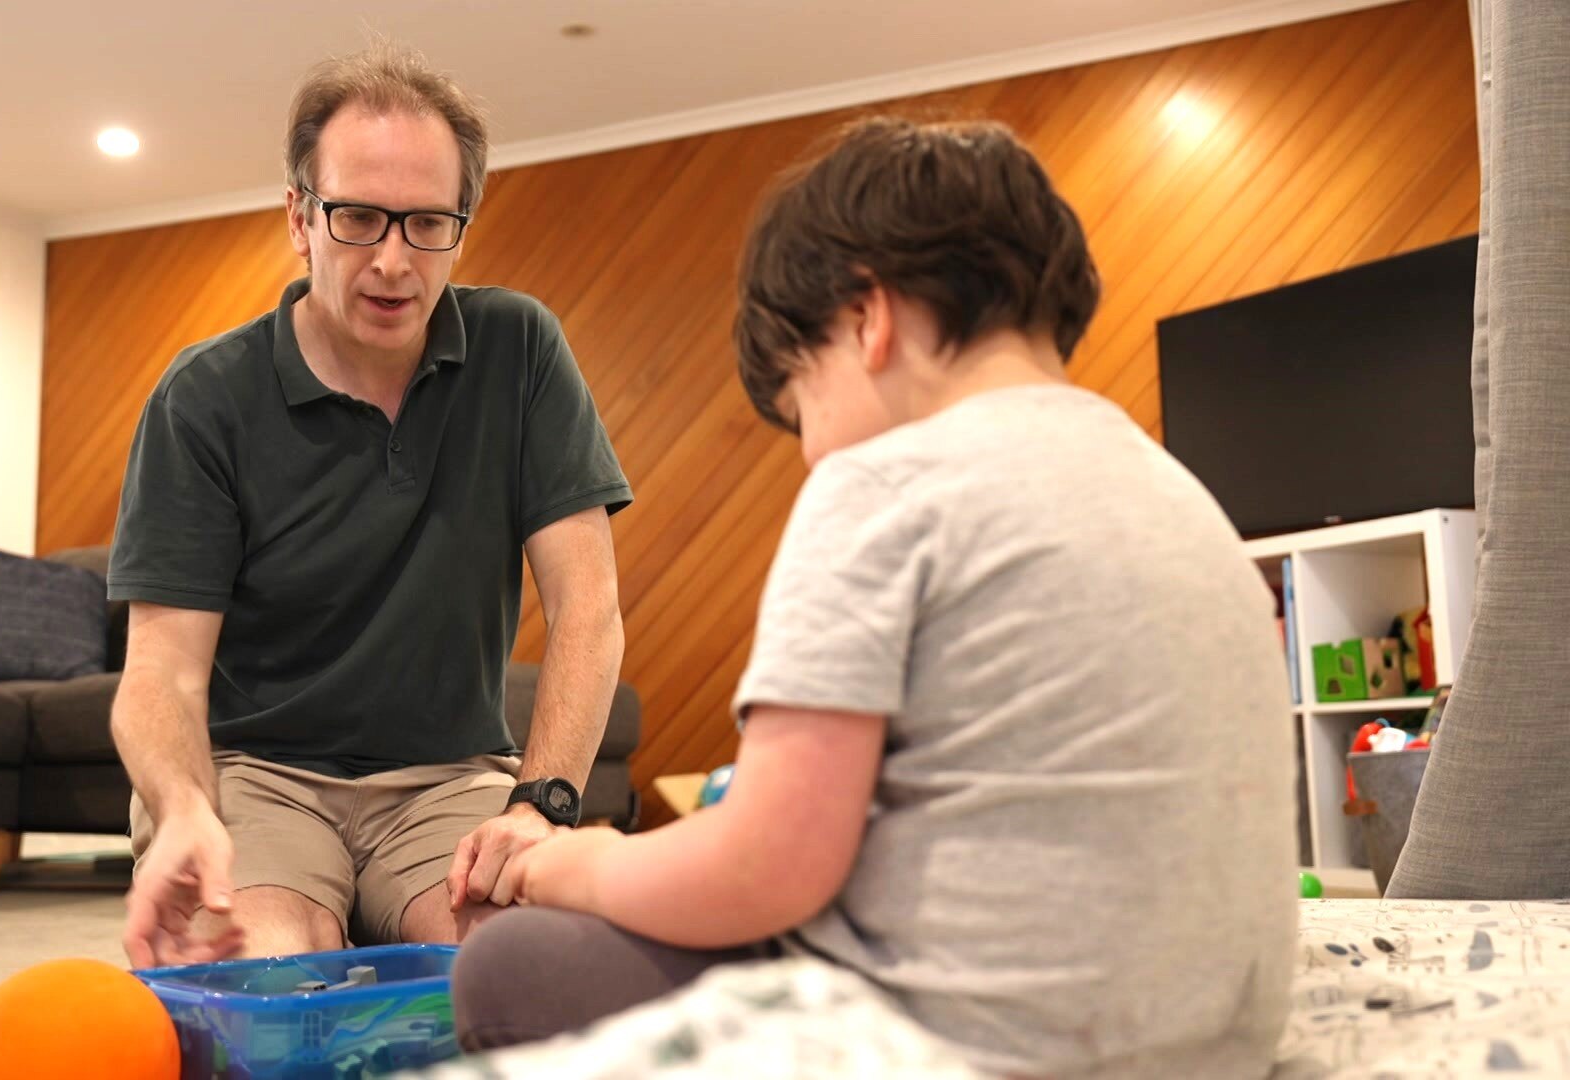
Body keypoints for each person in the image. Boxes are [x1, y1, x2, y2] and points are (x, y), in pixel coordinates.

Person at [452, 117, 1297, 1079]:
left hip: (987, 1044)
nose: (814, 450)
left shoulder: (882, 488)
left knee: (507, 964)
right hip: (1212, 1042)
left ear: (867, 318)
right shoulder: (1178, 495)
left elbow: (763, 868)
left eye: (804, 406)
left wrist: (577, 862)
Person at [107, 44, 631, 968]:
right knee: (268, 968)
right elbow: (161, 673)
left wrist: (539, 803)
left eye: (427, 222)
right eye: (358, 218)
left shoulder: (520, 348)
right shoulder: (204, 396)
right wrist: (185, 811)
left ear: (462, 229)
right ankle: (305, 914)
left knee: (529, 967)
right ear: (300, 220)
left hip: (448, 780)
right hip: (255, 777)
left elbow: (587, 610)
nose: (393, 261)